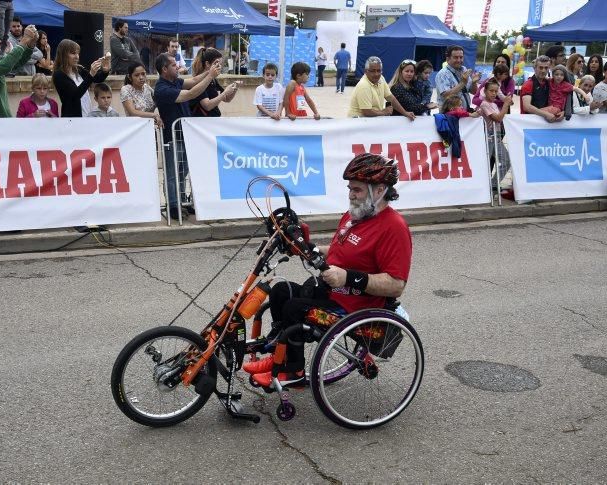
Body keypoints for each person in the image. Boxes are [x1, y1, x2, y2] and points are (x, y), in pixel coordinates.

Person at [242, 153, 413, 388]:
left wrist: (347, 277)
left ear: (380, 189)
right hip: (330, 292)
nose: (351, 195)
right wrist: (309, 249)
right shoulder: (355, 215)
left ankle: (293, 371)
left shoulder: (394, 228)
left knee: (294, 308)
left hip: (356, 307)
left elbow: (396, 284)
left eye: (358, 190)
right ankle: (278, 355)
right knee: (281, 291)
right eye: (350, 189)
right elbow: (340, 249)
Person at [153, 53, 222, 220]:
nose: (178, 66)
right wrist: (210, 76)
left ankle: (182, 200)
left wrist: (209, 71)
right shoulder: (162, 89)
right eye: (173, 65)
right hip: (172, 135)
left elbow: (193, 81)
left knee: (183, 170)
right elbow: (190, 93)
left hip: (185, 134)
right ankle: (173, 205)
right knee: (172, 173)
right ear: (164, 69)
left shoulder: (175, 81)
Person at [52, 39, 110, 118]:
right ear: (63, 54)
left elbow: (97, 79)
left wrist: (105, 71)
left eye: (78, 53)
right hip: (72, 119)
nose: (77, 57)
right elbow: (75, 95)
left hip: (87, 113)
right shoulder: (59, 75)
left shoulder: (78, 69)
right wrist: (91, 74)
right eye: (73, 53)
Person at [348, 56, 414, 120]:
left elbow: (390, 98)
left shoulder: (381, 78)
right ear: (365, 71)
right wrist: (384, 112)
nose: (376, 74)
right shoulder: (364, 85)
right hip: (357, 123)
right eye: (373, 71)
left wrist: (405, 113)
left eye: (378, 70)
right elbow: (367, 112)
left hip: (369, 121)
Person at [477, 79, 513, 190]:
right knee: (486, 163)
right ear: (485, 91)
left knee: (506, 161)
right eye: (491, 91)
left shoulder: (493, 104)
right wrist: (506, 104)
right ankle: (483, 186)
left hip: (496, 136)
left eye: (496, 91)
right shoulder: (484, 104)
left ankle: (493, 184)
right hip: (489, 137)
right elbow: (498, 118)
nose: (493, 93)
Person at [189, 48, 237, 117]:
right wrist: (225, 92)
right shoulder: (199, 81)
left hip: (213, 120)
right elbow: (207, 106)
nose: (220, 67)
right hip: (202, 123)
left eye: (220, 64)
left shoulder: (213, 80)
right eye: (216, 63)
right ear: (207, 64)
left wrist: (235, 88)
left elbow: (226, 99)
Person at [435, 45, 480, 110]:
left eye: (461, 57)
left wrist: (473, 82)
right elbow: (447, 96)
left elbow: (474, 92)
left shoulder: (464, 70)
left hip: (465, 112)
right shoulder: (442, 74)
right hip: (449, 115)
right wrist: (462, 83)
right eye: (455, 57)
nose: (459, 60)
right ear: (448, 59)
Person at [520, 55, 562, 122]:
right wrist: (545, 114)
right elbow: (526, 107)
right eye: (541, 67)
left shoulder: (549, 82)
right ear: (535, 68)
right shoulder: (528, 84)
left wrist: (563, 112)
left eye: (546, 68)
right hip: (529, 123)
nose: (543, 70)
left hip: (545, 123)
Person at [120, 62, 162, 127]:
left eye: (143, 74)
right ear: (130, 77)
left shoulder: (148, 88)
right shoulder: (126, 89)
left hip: (150, 127)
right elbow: (132, 112)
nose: (141, 77)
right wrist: (154, 115)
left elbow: (159, 102)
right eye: (137, 75)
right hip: (135, 128)